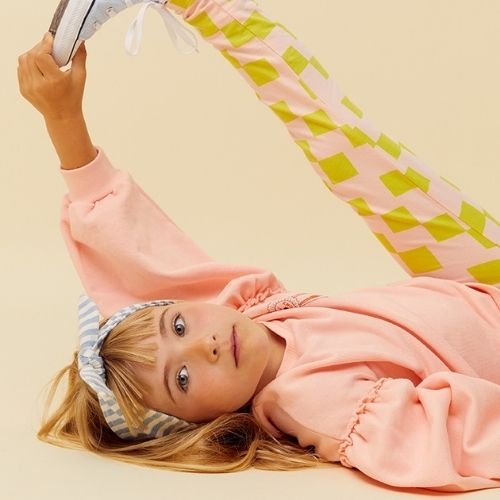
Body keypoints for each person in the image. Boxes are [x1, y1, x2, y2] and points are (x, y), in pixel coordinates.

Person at [17, 0, 500, 492]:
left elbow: (137, 251)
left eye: (178, 324)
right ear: (203, 424)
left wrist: (62, 117)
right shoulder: (313, 400)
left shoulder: (248, 314)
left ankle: (201, 6)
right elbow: (445, 440)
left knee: (339, 141)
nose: (201, 346)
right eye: (181, 379)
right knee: (347, 150)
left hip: (474, 284)